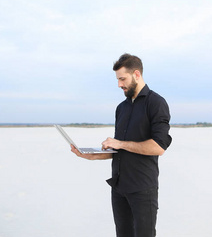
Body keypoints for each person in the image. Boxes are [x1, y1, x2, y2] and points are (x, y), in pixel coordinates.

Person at [71, 53, 172, 237]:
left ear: (137, 74)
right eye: (117, 80)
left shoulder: (156, 103)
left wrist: (120, 143)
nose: (119, 84)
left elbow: (159, 146)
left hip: (143, 189)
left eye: (122, 79)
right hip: (119, 187)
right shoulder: (122, 108)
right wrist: (89, 155)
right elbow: (119, 150)